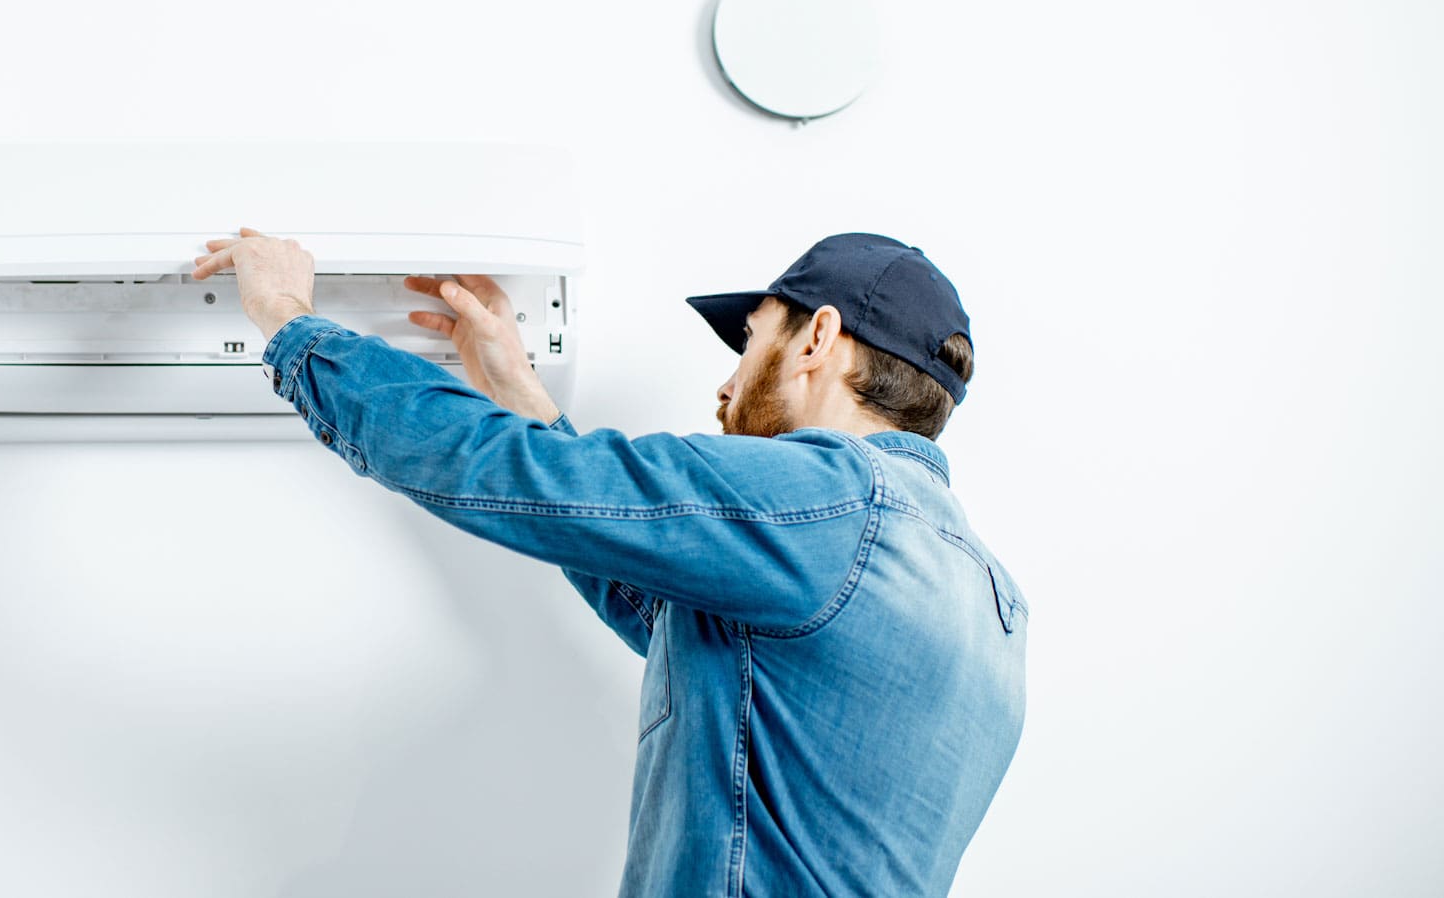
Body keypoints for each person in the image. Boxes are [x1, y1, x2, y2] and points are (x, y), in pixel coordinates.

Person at [191, 228, 1027, 898]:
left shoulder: (826, 501)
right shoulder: (990, 603)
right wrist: (523, 393)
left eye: (751, 340)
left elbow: (510, 473)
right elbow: (691, 637)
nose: (728, 384)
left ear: (818, 338)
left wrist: (291, 322)